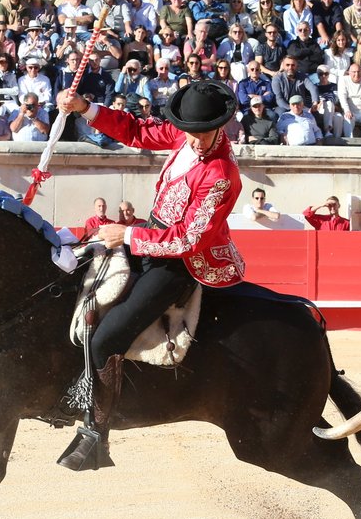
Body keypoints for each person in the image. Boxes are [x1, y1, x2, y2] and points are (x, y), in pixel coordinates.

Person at [53, 80, 243, 470]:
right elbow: (136, 131)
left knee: (107, 337)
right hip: (148, 241)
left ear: (220, 126)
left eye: (203, 134)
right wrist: (84, 107)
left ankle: (96, 437)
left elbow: (190, 239)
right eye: (189, 132)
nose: (194, 141)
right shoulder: (184, 133)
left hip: (180, 264)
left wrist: (128, 234)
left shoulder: (222, 173)